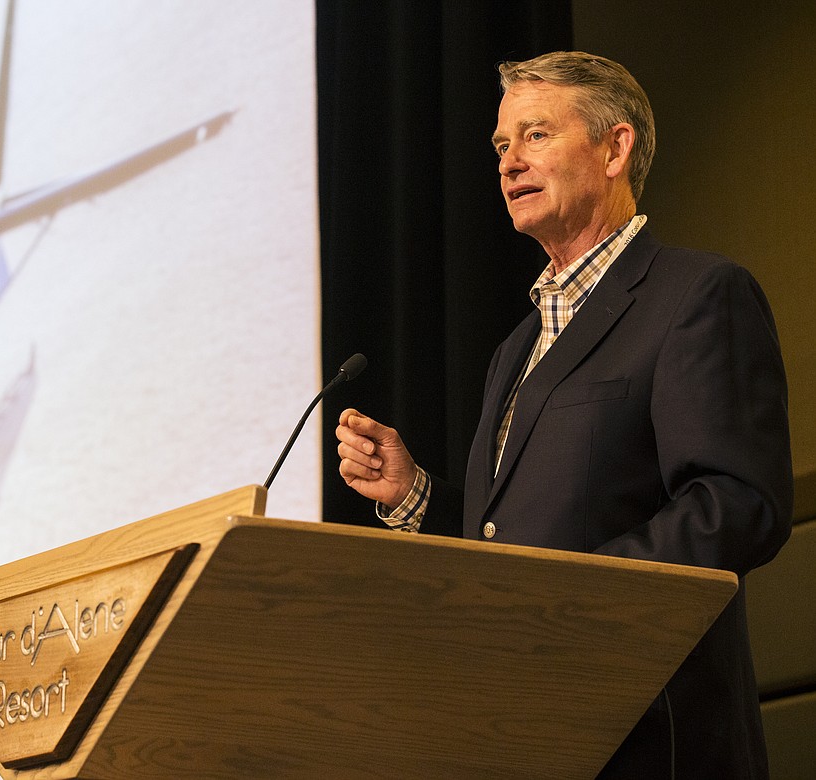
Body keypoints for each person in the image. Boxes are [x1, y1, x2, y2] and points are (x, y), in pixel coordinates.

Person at [336, 51, 792, 778]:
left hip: (651, 738)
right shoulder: (515, 349)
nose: (509, 162)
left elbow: (737, 504)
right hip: (526, 735)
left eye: (537, 135)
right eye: (500, 145)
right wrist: (416, 494)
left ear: (616, 148)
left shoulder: (695, 296)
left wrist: (567, 603)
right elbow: (512, 543)